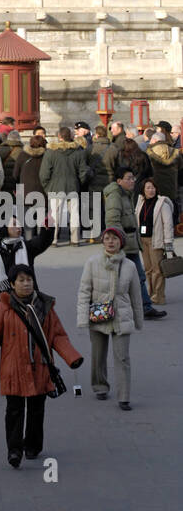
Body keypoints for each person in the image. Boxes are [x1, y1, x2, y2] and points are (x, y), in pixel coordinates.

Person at [0, 263, 83, 466]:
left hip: (40, 367)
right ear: (12, 284)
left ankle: (33, 446)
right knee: (14, 410)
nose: (26, 284)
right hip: (13, 368)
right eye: (21, 280)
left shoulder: (45, 305)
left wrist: (72, 357)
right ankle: (14, 450)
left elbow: (57, 335)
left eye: (29, 280)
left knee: (37, 409)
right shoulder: (5, 307)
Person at [77, 226, 143, 408]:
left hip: (121, 316)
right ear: (102, 241)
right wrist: (82, 318)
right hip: (98, 313)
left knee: (122, 357)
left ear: (121, 242)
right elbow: (84, 292)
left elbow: (136, 296)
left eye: (114, 238)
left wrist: (138, 320)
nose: (110, 242)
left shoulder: (129, 266)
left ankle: (124, 397)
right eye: (107, 238)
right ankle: (100, 387)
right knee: (98, 355)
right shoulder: (92, 262)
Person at [103, 169, 165, 320]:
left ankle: (143, 307)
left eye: (133, 178)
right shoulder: (115, 196)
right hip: (124, 244)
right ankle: (139, 308)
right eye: (129, 178)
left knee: (134, 277)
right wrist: (119, 243)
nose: (133, 181)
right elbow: (113, 221)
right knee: (131, 277)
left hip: (130, 242)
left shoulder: (126, 195)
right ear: (119, 181)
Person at [0, 217, 54, 318]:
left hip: (28, 305)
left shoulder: (25, 247)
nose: (19, 227)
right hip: (2, 308)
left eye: (19, 224)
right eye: (14, 224)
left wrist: (47, 228)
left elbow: (42, 242)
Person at [39, 126, 91, 246]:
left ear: (59, 137)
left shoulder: (51, 152)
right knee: (74, 213)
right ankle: (75, 239)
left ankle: (54, 239)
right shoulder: (79, 152)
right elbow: (83, 171)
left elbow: (44, 173)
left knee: (55, 214)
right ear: (71, 137)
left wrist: (47, 187)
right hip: (73, 185)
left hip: (55, 186)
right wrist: (79, 182)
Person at [134, 178, 176, 308]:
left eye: (152, 188)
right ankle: (150, 293)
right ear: (143, 190)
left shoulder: (162, 204)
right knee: (147, 269)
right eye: (148, 188)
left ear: (156, 189)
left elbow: (168, 225)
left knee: (158, 270)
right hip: (143, 240)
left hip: (156, 240)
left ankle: (159, 296)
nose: (150, 190)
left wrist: (168, 244)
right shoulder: (140, 202)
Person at [13, 133, 47, 236]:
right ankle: (41, 240)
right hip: (43, 192)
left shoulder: (23, 155)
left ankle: (29, 240)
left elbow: (15, 174)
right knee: (41, 220)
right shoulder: (47, 155)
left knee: (28, 221)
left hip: (25, 192)